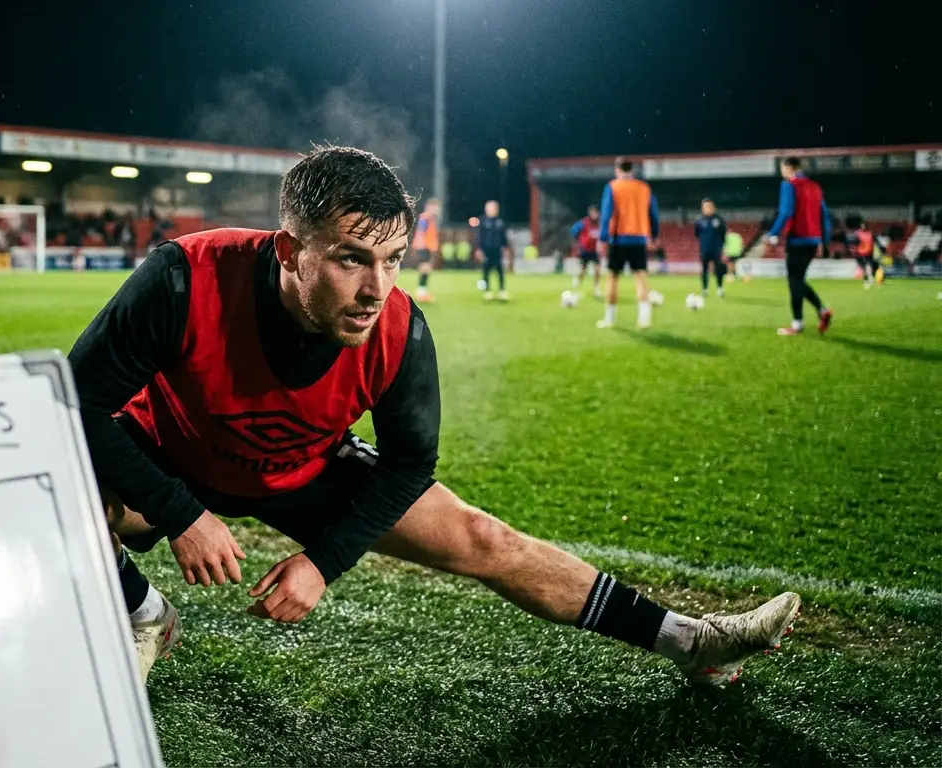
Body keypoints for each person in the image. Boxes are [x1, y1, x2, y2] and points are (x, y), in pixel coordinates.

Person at [66, 145, 800, 688]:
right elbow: (75, 404)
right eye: (352, 259)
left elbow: (410, 466)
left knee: (485, 537)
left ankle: (693, 642)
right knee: (57, 499)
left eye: (392, 259)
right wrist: (181, 513)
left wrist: (323, 563)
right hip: (168, 452)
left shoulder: (399, 330)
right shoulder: (182, 278)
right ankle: (144, 612)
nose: (376, 288)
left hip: (302, 468)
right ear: (289, 250)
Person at [767, 157, 834, 336]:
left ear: (789, 168)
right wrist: (824, 242)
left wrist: (772, 233)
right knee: (798, 280)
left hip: (797, 240)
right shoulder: (815, 187)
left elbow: (786, 212)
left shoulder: (789, 185)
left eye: (783, 169)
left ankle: (797, 324)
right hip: (813, 241)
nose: (782, 172)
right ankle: (822, 310)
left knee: (794, 282)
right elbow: (825, 217)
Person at [597, 158, 659, 329]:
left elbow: (606, 214)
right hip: (639, 239)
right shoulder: (644, 188)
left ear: (617, 170)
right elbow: (653, 214)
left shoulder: (612, 187)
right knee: (640, 277)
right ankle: (644, 319)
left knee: (612, 278)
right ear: (633, 170)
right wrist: (654, 236)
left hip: (618, 239)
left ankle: (609, 319)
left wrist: (603, 239)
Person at [475, 200, 511, 301]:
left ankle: (502, 291)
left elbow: (504, 237)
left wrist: (506, 248)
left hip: (497, 250)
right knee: (486, 270)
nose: (491, 210)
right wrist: (479, 249)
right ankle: (487, 291)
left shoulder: (500, 222)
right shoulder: (483, 222)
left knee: (500, 271)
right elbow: (479, 237)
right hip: (486, 250)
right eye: (489, 207)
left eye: (493, 208)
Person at [694, 198, 729, 298]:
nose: (707, 208)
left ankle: (720, 288)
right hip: (704, 249)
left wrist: (723, 248)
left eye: (709, 206)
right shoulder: (699, 220)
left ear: (713, 207)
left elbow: (723, 234)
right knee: (704, 269)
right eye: (705, 207)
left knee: (718, 269)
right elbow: (697, 234)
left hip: (716, 249)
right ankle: (705, 289)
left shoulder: (719, 219)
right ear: (702, 208)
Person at [568, 205, 603, 298]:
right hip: (585, 249)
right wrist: (578, 242)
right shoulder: (584, 222)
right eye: (592, 212)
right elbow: (573, 230)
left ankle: (596, 288)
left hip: (595, 250)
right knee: (583, 269)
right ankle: (578, 280)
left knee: (597, 269)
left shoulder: (600, 224)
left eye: (596, 213)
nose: (594, 215)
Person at [410, 197, 440, 303]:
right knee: (424, 268)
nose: (437, 209)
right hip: (424, 247)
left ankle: (423, 292)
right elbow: (421, 232)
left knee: (426, 269)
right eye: (435, 207)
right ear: (429, 207)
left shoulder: (430, 218)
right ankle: (421, 293)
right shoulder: (425, 218)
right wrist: (423, 246)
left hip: (427, 247)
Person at [851, 219, 879, 289]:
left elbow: (876, 241)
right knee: (867, 266)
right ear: (860, 226)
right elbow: (854, 243)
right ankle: (869, 279)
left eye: (865, 225)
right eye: (862, 225)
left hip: (869, 254)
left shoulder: (870, 233)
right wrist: (855, 251)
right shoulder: (857, 234)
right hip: (860, 254)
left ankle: (868, 279)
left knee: (873, 266)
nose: (864, 226)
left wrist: (881, 248)